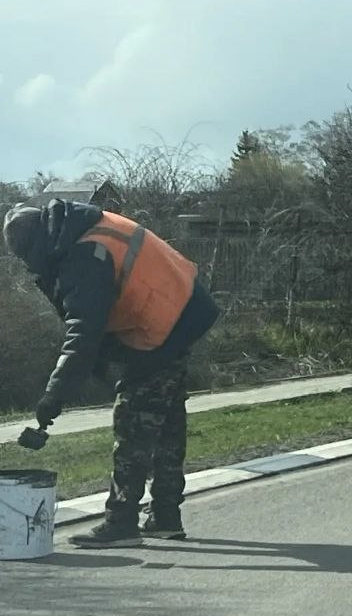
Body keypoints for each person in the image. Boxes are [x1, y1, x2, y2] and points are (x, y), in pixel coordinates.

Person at [2, 200, 220, 549]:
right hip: (186, 309)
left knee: (132, 421)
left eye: (26, 256)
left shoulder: (84, 255)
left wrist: (51, 399)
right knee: (165, 423)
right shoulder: (83, 226)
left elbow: (82, 337)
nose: (29, 266)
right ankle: (165, 517)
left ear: (35, 246)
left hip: (162, 325)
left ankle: (121, 522)